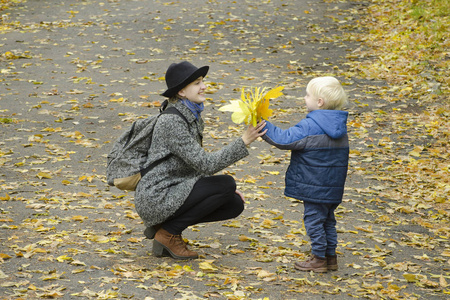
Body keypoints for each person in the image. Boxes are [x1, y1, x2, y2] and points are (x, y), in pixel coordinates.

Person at [134, 61, 267, 259]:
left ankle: (167, 228)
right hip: (157, 196)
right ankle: (168, 234)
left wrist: (216, 189)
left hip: (173, 187)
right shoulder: (173, 121)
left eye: (202, 81)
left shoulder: (191, 115)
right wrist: (244, 141)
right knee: (227, 183)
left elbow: (193, 163)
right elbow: (206, 163)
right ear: (181, 92)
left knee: (234, 203)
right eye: (197, 83)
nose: (204, 86)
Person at [261, 76, 349, 272]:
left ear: (320, 102)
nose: (304, 98)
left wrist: (262, 125)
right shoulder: (339, 128)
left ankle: (318, 258)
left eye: (307, 94)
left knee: (313, 220)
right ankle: (330, 257)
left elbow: (284, 139)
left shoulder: (310, 126)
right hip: (333, 186)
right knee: (328, 220)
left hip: (314, 186)